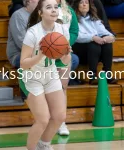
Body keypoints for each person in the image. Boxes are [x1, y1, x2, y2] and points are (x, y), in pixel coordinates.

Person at [20, 0, 71, 149]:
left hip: (50, 75)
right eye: (49, 7)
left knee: (60, 116)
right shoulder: (33, 33)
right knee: (43, 120)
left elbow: (65, 61)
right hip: (32, 77)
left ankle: (44, 144)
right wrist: (41, 54)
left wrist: (66, 54)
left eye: (56, 7)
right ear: (40, 13)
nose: (54, 10)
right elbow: (23, 63)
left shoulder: (62, 30)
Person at [72, 0, 118, 84]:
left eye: (86, 2)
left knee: (107, 44)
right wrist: (93, 37)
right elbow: (77, 36)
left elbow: (104, 31)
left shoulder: (93, 18)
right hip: (79, 51)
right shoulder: (73, 19)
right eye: (82, 3)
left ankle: (107, 73)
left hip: (94, 53)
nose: (84, 4)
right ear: (77, 6)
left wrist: (110, 37)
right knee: (94, 44)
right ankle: (92, 75)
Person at [55, 0, 79, 136]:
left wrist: (65, 44)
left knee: (62, 88)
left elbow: (74, 31)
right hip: (45, 55)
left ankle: (61, 122)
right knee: (46, 89)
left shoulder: (69, 11)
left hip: (64, 54)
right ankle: (45, 121)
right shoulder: (41, 8)